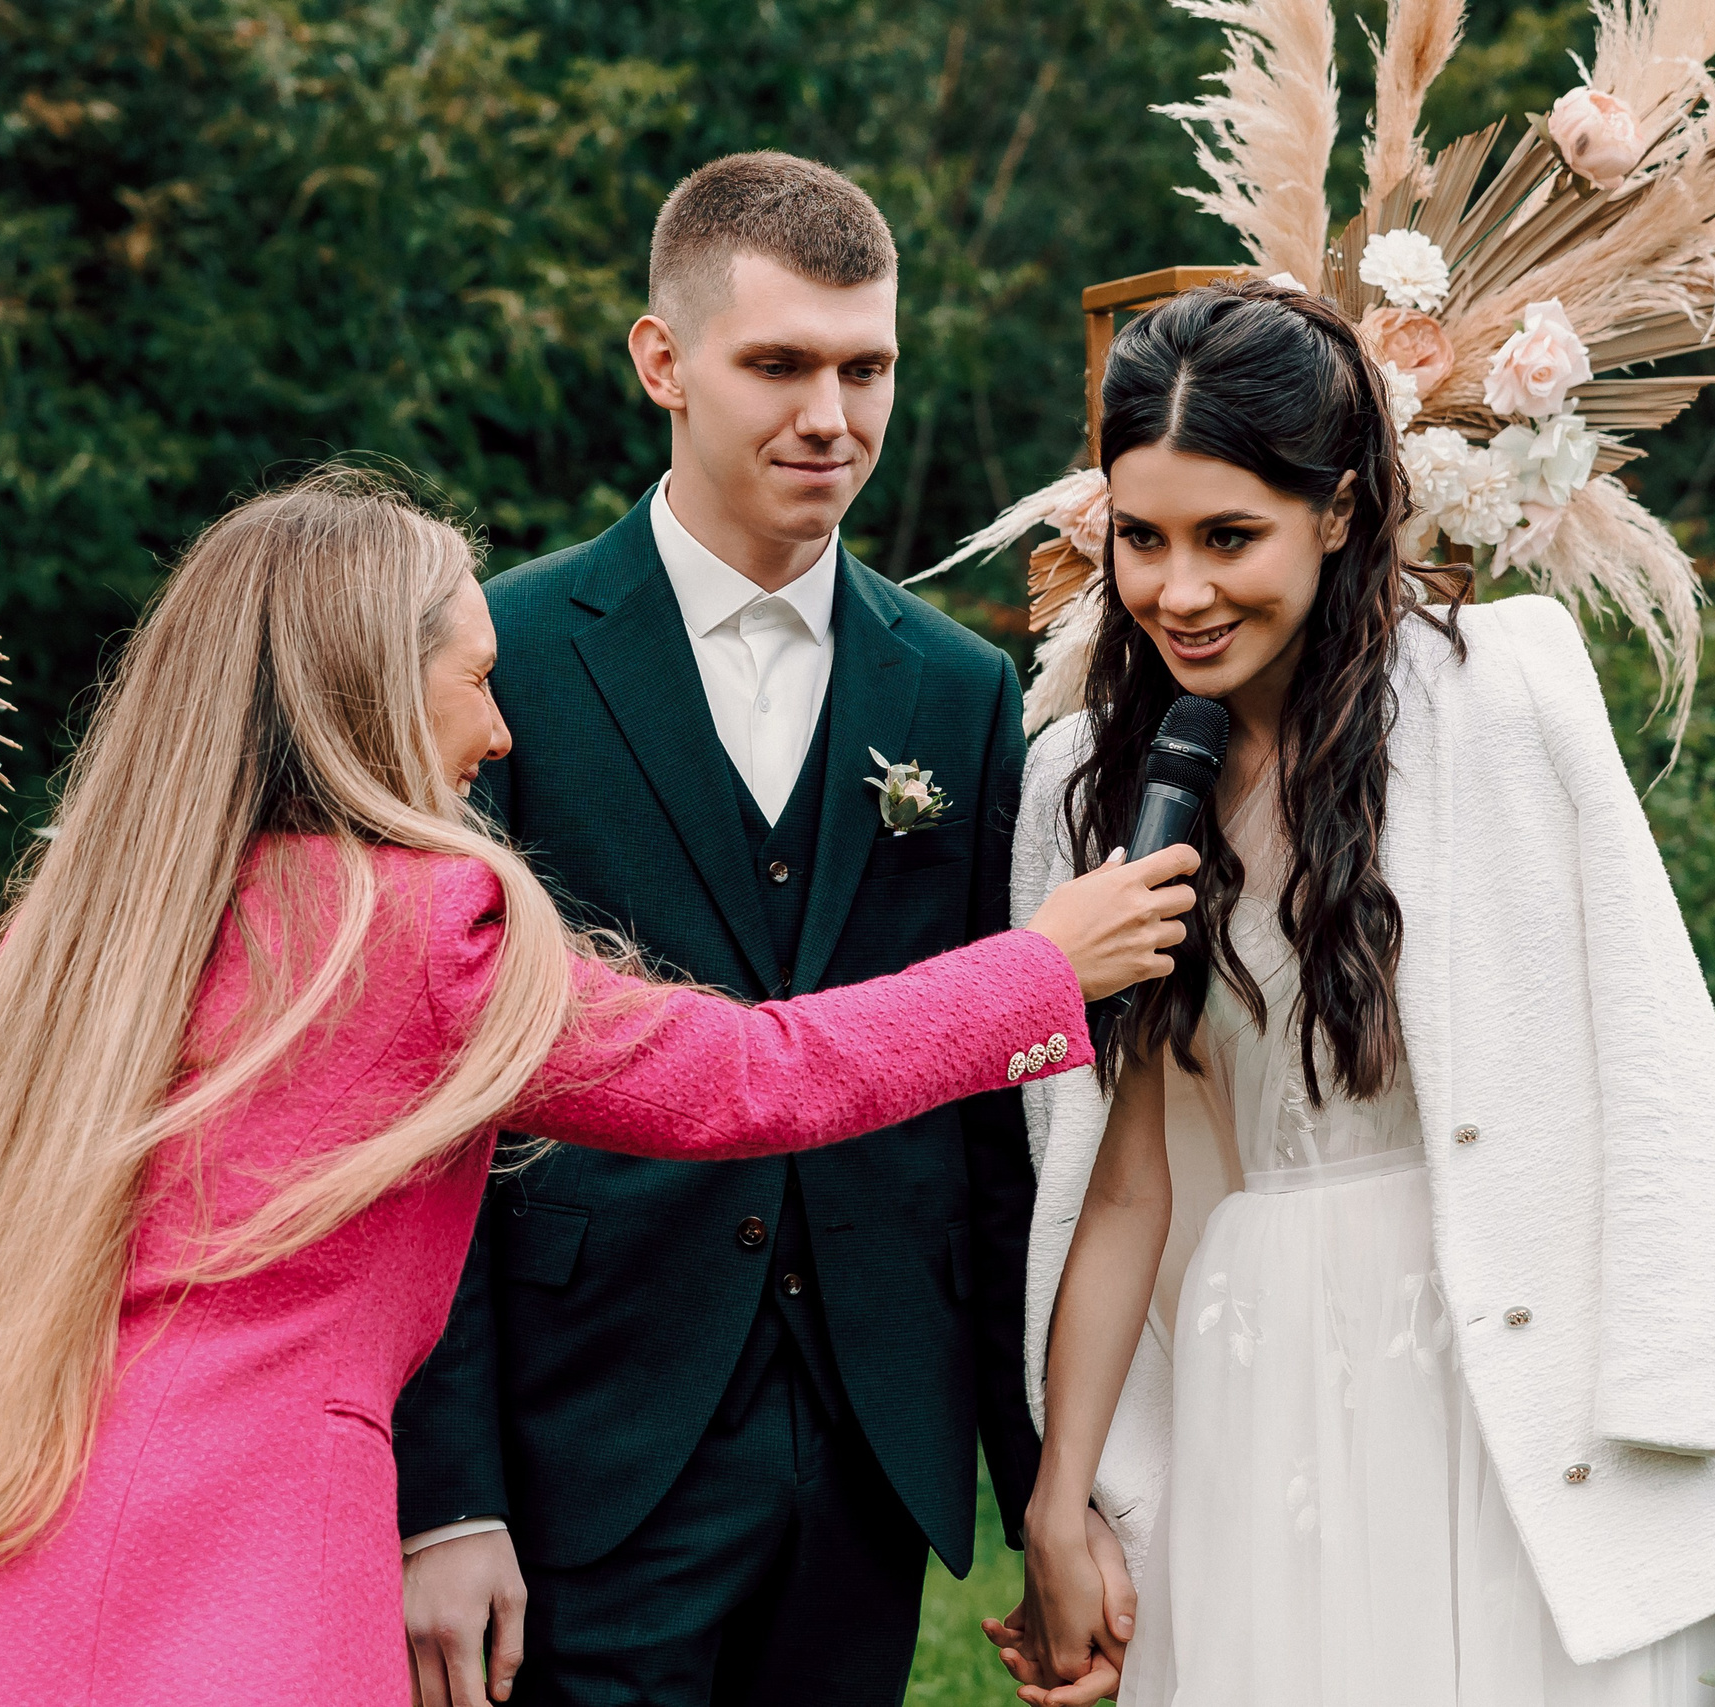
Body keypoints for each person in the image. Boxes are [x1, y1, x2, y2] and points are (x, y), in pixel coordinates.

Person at [0, 471, 1200, 1706]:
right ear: (373, 689)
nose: (502, 734)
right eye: (475, 678)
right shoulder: (418, 929)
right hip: (252, 1568)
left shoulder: (69, 936)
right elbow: (757, 1080)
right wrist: (1040, 972)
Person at [987, 280, 1715, 1707]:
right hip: (1258, 1357)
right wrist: (1059, 1498)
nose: (1179, 592)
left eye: (1230, 537)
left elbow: (1654, 1076)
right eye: (1142, 539)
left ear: (1338, 513)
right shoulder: (1085, 792)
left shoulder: (1503, 694)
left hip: (1519, 1367)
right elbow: (1114, 1181)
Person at [391, 150, 1129, 1707]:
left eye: (867, 368)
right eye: (779, 365)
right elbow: (421, 1097)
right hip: (588, 1431)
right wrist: (446, 1496)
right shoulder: (498, 656)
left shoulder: (958, 688)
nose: (832, 417)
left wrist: (1052, 1493)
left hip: (870, 1437)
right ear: (662, 359)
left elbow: (998, 1107)